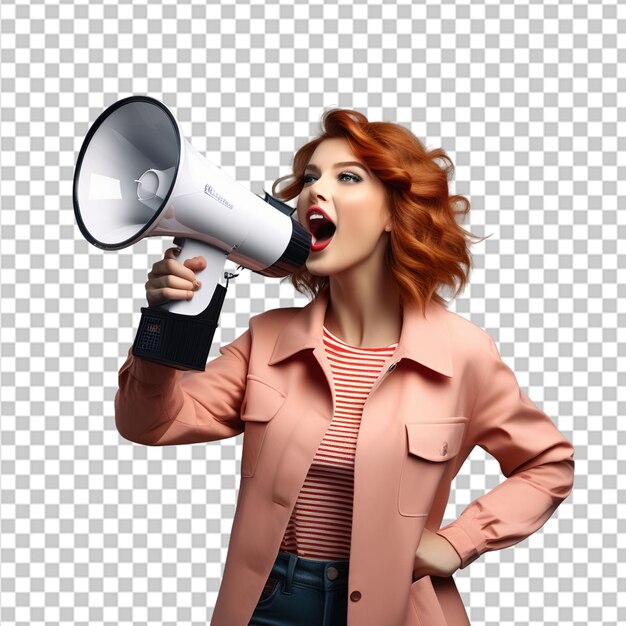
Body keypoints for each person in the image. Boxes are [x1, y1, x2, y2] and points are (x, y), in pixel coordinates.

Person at [114, 109, 575, 626]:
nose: (314, 191)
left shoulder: (463, 353)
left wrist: (458, 542)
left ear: (392, 213)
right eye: (310, 179)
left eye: (346, 177)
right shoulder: (268, 340)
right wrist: (163, 327)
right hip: (269, 606)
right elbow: (147, 423)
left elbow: (548, 465)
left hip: (399, 609)